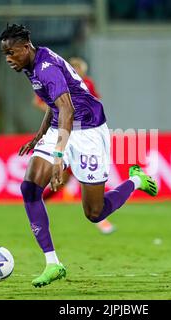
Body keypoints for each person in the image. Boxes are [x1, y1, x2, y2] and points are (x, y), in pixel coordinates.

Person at [0, 24, 158, 287]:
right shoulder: (30, 64)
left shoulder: (45, 68)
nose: (8, 59)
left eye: (12, 53)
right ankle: (52, 263)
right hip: (59, 128)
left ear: (26, 48)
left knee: (95, 212)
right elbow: (53, 105)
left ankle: (137, 180)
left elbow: (67, 110)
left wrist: (59, 156)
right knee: (29, 188)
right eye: (5, 54)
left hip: (88, 131)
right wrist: (40, 137)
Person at [32, 56, 116, 235]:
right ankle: (37, 203)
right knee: (65, 179)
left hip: (84, 134)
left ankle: (99, 217)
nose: (79, 74)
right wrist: (57, 111)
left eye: (81, 71)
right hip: (64, 133)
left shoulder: (87, 84)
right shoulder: (56, 81)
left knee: (74, 177)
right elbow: (38, 102)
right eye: (75, 70)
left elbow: (94, 102)